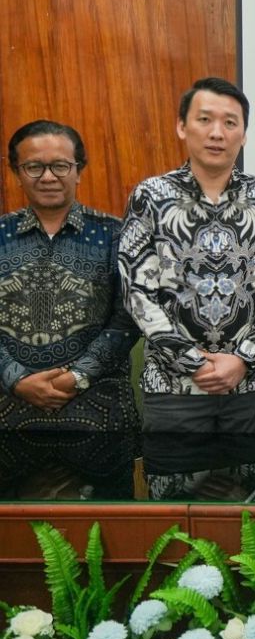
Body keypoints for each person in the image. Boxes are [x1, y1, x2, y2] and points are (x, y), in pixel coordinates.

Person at [119, 77, 255, 433]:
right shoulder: (150, 196)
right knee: (174, 488)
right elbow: (137, 292)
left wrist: (242, 359)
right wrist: (193, 364)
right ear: (182, 127)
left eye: (230, 123)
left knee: (254, 486)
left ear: (243, 134)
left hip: (252, 387)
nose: (217, 132)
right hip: (173, 390)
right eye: (205, 120)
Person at [0, 120, 139, 430]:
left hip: (97, 406)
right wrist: (16, 379)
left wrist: (76, 376)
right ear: (16, 173)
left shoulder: (116, 235)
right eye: (34, 167)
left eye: (61, 166)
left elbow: (128, 319)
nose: (48, 177)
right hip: (8, 403)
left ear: (79, 171)